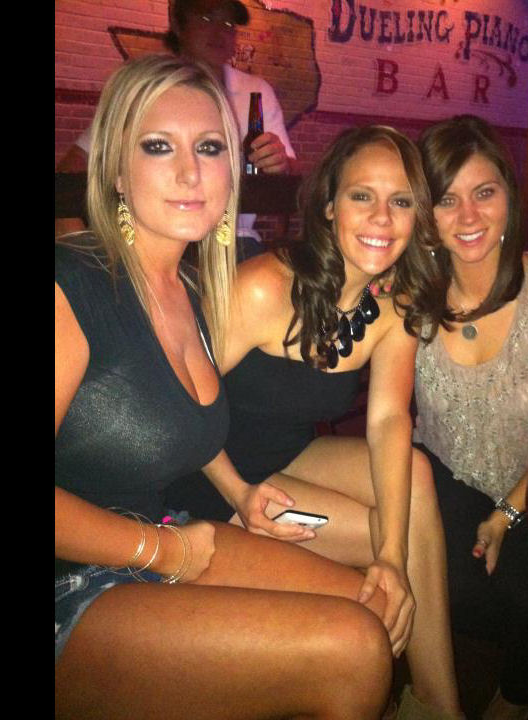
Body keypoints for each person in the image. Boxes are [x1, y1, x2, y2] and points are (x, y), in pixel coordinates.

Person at [55, 53, 394, 720]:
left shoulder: (193, 286)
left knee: (371, 608)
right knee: (354, 648)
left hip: (162, 532)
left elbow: (179, 415)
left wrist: (239, 491)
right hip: (76, 579)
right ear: (117, 169)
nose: (190, 172)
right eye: (159, 146)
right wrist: (163, 551)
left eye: (209, 148)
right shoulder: (72, 282)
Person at [165, 125, 465, 720]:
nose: (382, 218)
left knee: (411, 477)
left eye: (401, 201)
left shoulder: (393, 302)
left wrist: (393, 556)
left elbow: (388, 420)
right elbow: (172, 405)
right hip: (206, 475)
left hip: (285, 458)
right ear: (329, 206)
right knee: (386, 565)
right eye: (362, 196)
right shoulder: (264, 289)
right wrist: (238, 490)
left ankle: (437, 704)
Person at [413, 115, 528, 719]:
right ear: (427, 213)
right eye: (447, 199)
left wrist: (507, 511)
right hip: (445, 472)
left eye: (484, 192)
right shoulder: (410, 294)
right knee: (448, 589)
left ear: (509, 198)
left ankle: (518, 693)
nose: (468, 216)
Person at [55, 0, 297, 262]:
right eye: (206, 18)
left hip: (234, 241)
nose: (219, 31)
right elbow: (70, 170)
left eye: (228, 24)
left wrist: (280, 163)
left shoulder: (255, 92)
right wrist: (80, 251)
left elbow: (293, 172)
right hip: (151, 242)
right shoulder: (147, 90)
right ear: (178, 26)